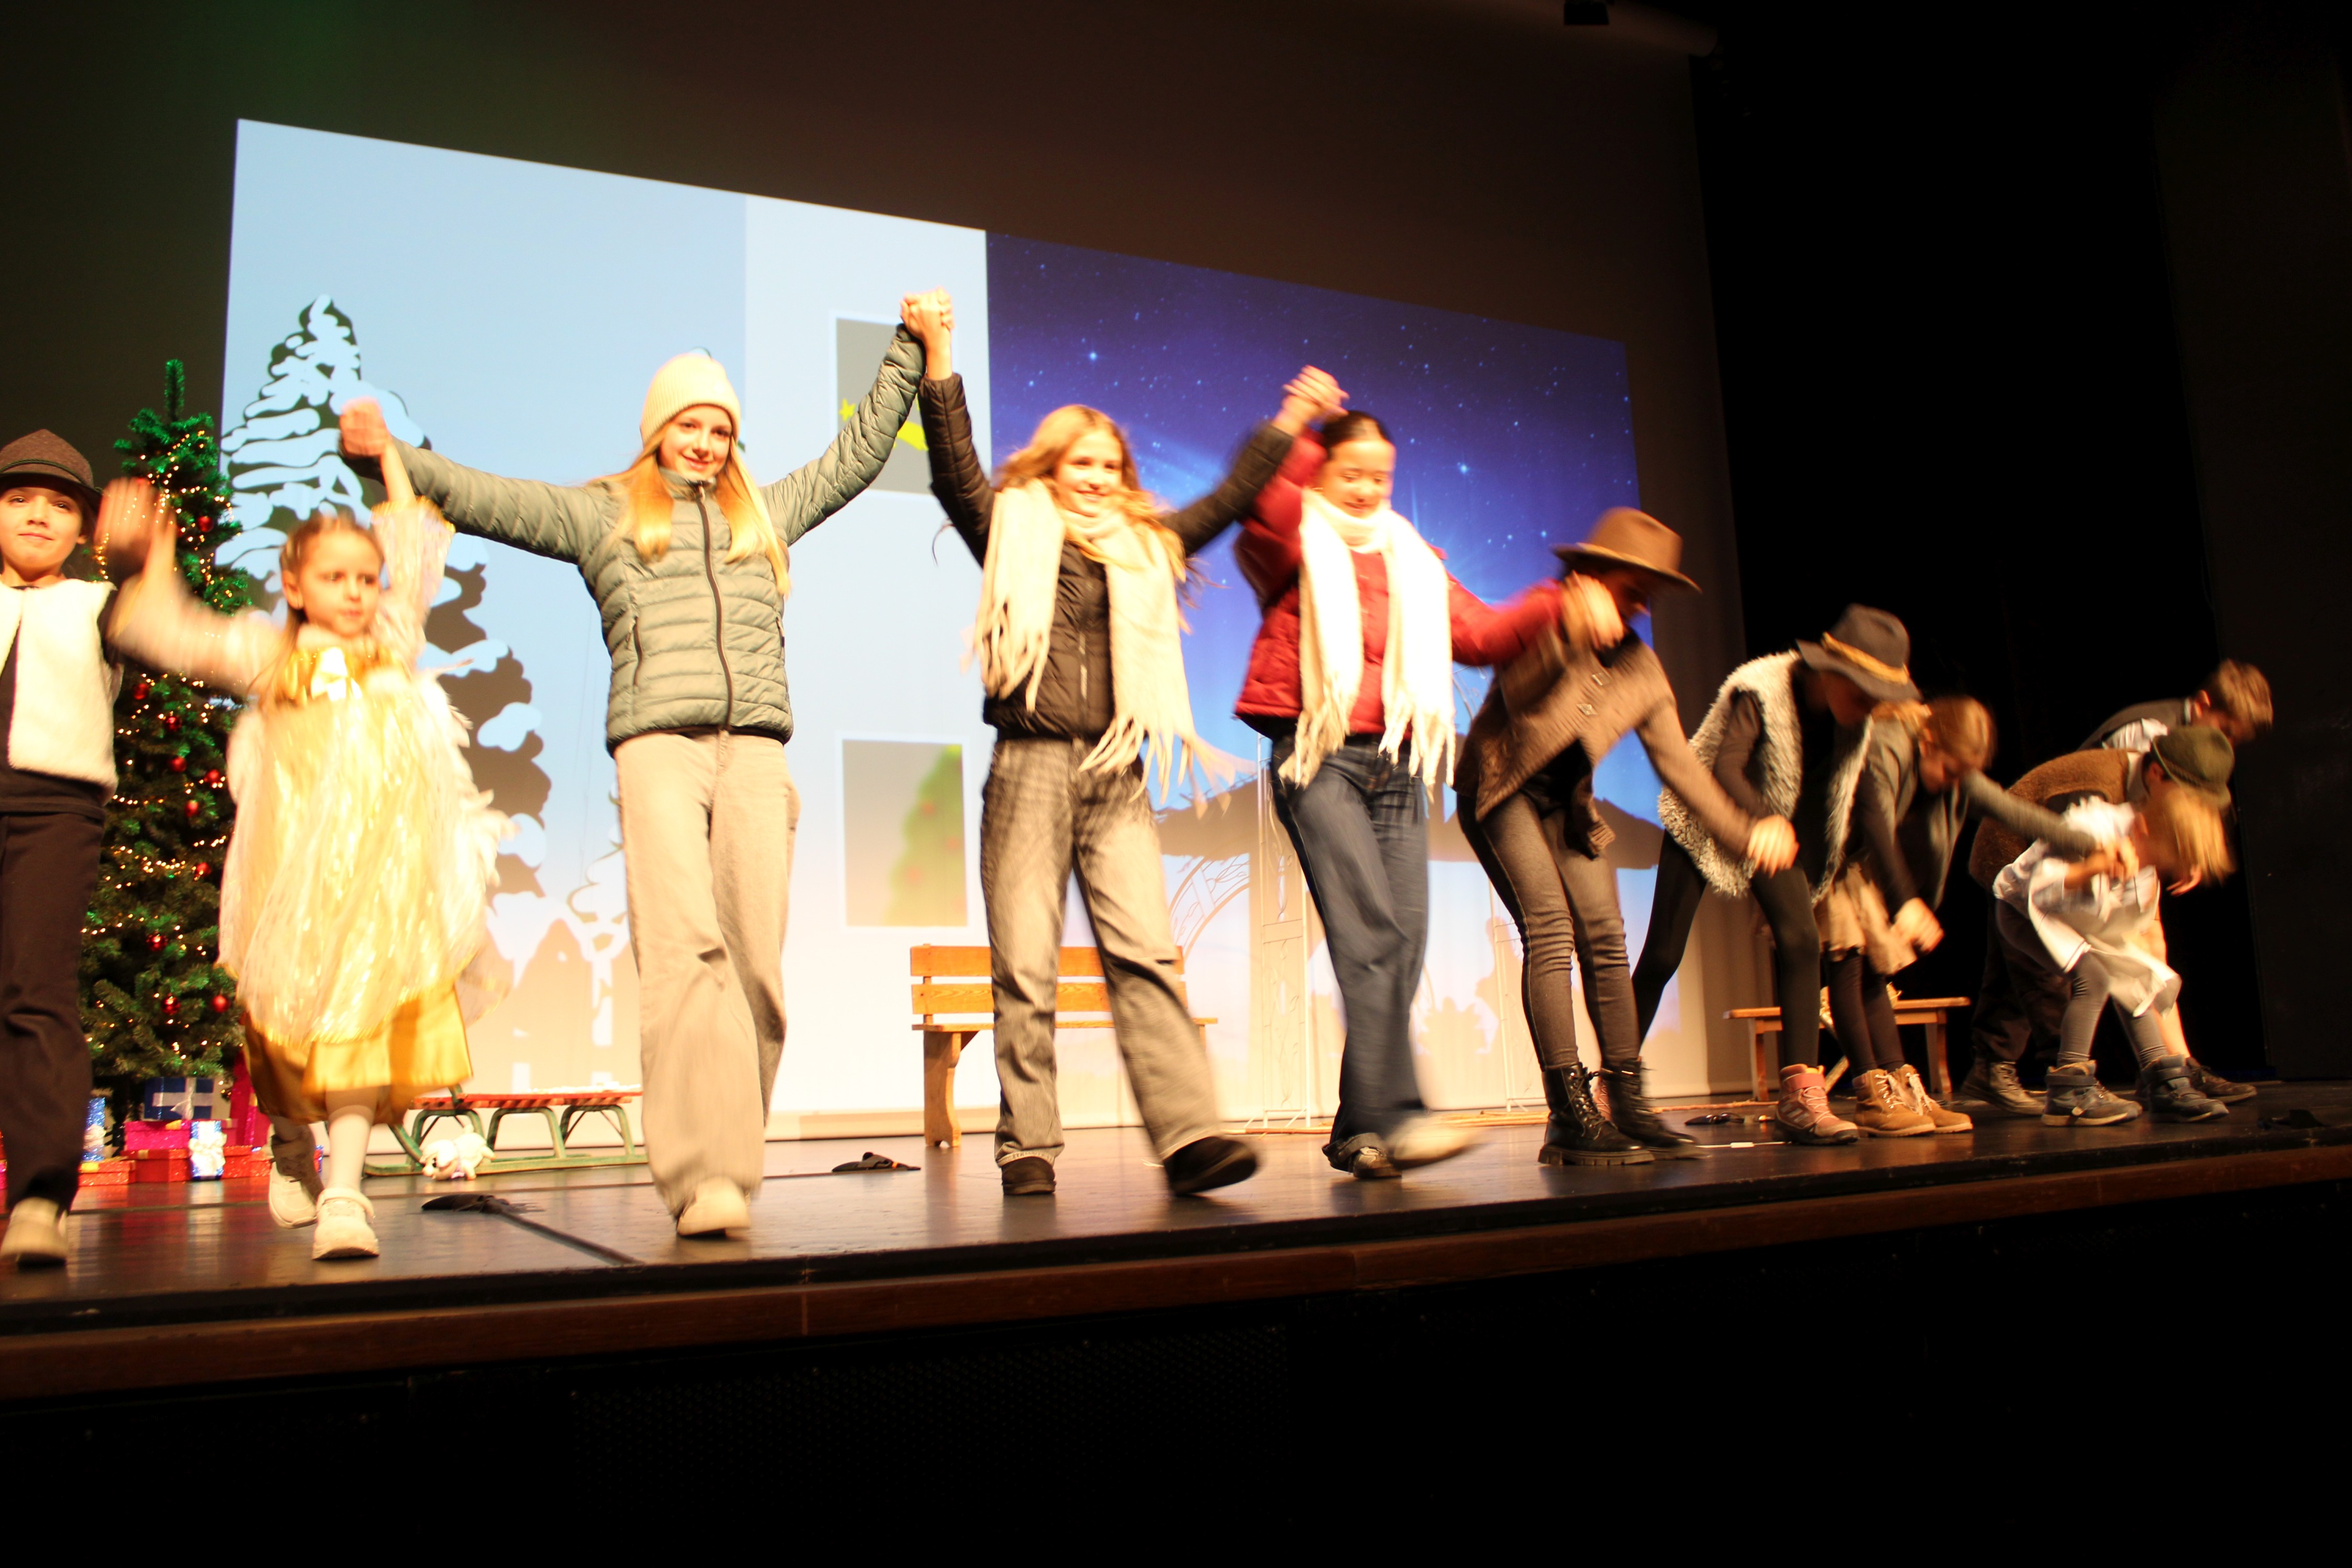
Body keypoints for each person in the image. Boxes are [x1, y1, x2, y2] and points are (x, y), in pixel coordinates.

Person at [339, 291, 940, 1237]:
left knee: (757, 972)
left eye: (720, 429)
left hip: (755, 754)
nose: (705, 443)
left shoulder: (764, 515)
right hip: (659, 749)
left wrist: (908, 347)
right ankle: (704, 1176)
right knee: (684, 955)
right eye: (689, 425)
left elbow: (859, 454)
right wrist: (388, 458)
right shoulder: (606, 515)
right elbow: (488, 497)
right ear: (658, 430)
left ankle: (733, 1155)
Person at [917, 325, 1297, 1198]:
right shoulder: (1009, 528)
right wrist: (939, 362)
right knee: (1025, 966)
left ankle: (1190, 1138)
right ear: (1050, 470)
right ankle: (1028, 1146)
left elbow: (1230, 498)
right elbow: (954, 471)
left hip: (1116, 773)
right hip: (1028, 768)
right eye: (1079, 464)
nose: (1095, 478)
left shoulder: (1146, 546)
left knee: (1147, 956)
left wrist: (1286, 422)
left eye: (1109, 466)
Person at [106, 455, 506, 1261]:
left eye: (365, 578)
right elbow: (169, 629)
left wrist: (387, 457)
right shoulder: (271, 657)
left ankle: (346, 1195)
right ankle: (291, 1141)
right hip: (294, 887)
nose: (356, 593)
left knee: (362, 1029)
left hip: (381, 887)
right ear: (294, 585)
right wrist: (154, 551)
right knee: (284, 1036)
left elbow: (413, 549)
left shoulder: (390, 646)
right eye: (334, 577)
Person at [1233, 402, 1565, 1179]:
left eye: (1379, 477)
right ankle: (1404, 1115)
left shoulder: (1412, 558)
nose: (1365, 488)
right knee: (1371, 937)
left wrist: (1558, 603)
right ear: (1320, 472)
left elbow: (1480, 635)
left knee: (1402, 945)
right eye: (1350, 473)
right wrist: (1299, 430)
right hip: (1317, 757)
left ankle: (1362, 1127)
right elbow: (1265, 509)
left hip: (1397, 765)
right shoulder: (1292, 543)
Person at [1456, 508, 1796, 1163]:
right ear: (1589, 575)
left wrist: (1746, 832)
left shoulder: (1642, 669)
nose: (1640, 606)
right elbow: (1516, 696)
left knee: (1607, 939)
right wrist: (1567, 634)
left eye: (1649, 596)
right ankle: (1568, 1113)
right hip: (1500, 790)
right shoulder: (1548, 616)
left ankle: (1630, 1102)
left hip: (1565, 807)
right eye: (1632, 589)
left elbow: (1680, 766)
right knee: (1551, 929)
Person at [1630, 606, 1915, 1146]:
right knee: (1663, 955)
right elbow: (1726, 766)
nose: (1869, 708)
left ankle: (1800, 1097)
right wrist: (1760, 821)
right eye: (1863, 694)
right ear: (1832, 672)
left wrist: (1906, 900)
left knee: (1802, 941)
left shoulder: (1854, 726)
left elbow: (1869, 806)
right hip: (1709, 813)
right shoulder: (1761, 688)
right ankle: (1614, 1082)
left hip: (1774, 830)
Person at [1824, 696, 2102, 1136]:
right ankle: (1870, 1095)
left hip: (1861, 865)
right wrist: (1905, 901)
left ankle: (1901, 1088)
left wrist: (2095, 845)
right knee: (1848, 965)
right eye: (1951, 770)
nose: (1954, 782)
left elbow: (2015, 812)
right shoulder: (1887, 746)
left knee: (1875, 972)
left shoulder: (1951, 769)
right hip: (1826, 856)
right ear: (1928, 741)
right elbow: (1876, 824)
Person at [1961, 725, 2241, 1116]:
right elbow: (2039, 889)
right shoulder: (2095, 822)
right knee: (2091, 979)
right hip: (2024, 903)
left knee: (2134, 975)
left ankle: (2160, 1077)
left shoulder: (2147, 837)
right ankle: (2069, 1087)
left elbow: (2138, 925)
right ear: (2145, 827)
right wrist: (2092, 868)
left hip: (2078, 910)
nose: (2154, 869)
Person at [0, 435, 126, 1269]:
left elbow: (169, 628)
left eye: (60, 504)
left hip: (53, 811)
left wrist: (150, 552)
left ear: (83, 528)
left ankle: (40, 1199)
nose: (38, 515)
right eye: (18, 499)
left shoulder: (100, 604)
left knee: (33, 990)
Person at [2082, 659, 2271, 753]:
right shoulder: (2153, 734)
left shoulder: (2187, 742)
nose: (2227, 747)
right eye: (2226, 732)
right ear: (2201, 705)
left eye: (2236, 742)